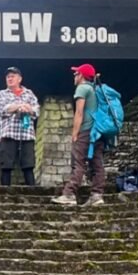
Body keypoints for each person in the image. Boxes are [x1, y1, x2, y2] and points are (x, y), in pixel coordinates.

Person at [52, 63, 107, 206]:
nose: (74, 75)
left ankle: (69, 194)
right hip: (98, 131)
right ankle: (97, 195)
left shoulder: (82, 88)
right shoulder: (95, 89)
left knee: (78, 162)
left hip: (86, 130)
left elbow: (79, 112)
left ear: (81, 76)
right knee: (97, 163)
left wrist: (75, 133)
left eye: (76, 73)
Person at [0, 66, 39, 186]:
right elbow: (2, 109)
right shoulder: (1, 94)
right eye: (8, 77)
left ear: (19, 79)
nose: (10, 78)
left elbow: (36, 110)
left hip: (27, 134)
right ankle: (5, 193)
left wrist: (28, 109)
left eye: (12, 76)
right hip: (8, 133)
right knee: (6, 166)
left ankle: (32, 192)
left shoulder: (29, 93)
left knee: (28, 165)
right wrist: (20, 106)